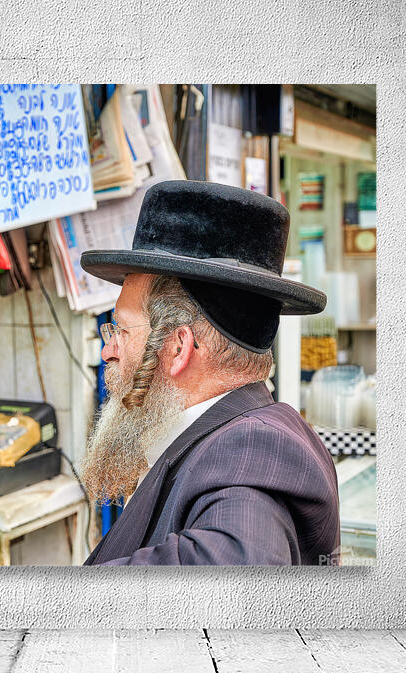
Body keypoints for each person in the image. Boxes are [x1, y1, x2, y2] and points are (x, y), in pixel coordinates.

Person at [76, 179, 340, 566]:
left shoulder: (248, 452)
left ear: (178, 347)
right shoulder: (227, 437)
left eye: (121, 329)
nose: (108, 349)